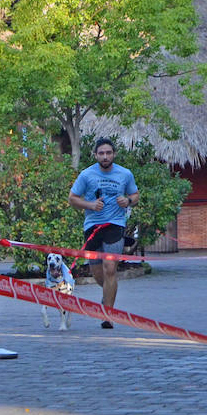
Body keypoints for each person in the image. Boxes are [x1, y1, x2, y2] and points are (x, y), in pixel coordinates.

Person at [67, 137, 139, 328]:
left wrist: (128, 201)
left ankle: (107, 314)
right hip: (92, 226)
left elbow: (135, 195)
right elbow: (72, 199)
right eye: (101, 153)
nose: (105, 156)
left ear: (114, 154)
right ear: (96, 155)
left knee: (110, 268)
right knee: (98, 272)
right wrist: (90, 204)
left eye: (108, 153)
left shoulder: (125, 174)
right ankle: (107, 296)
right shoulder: (86, 174)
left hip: (115, 224)